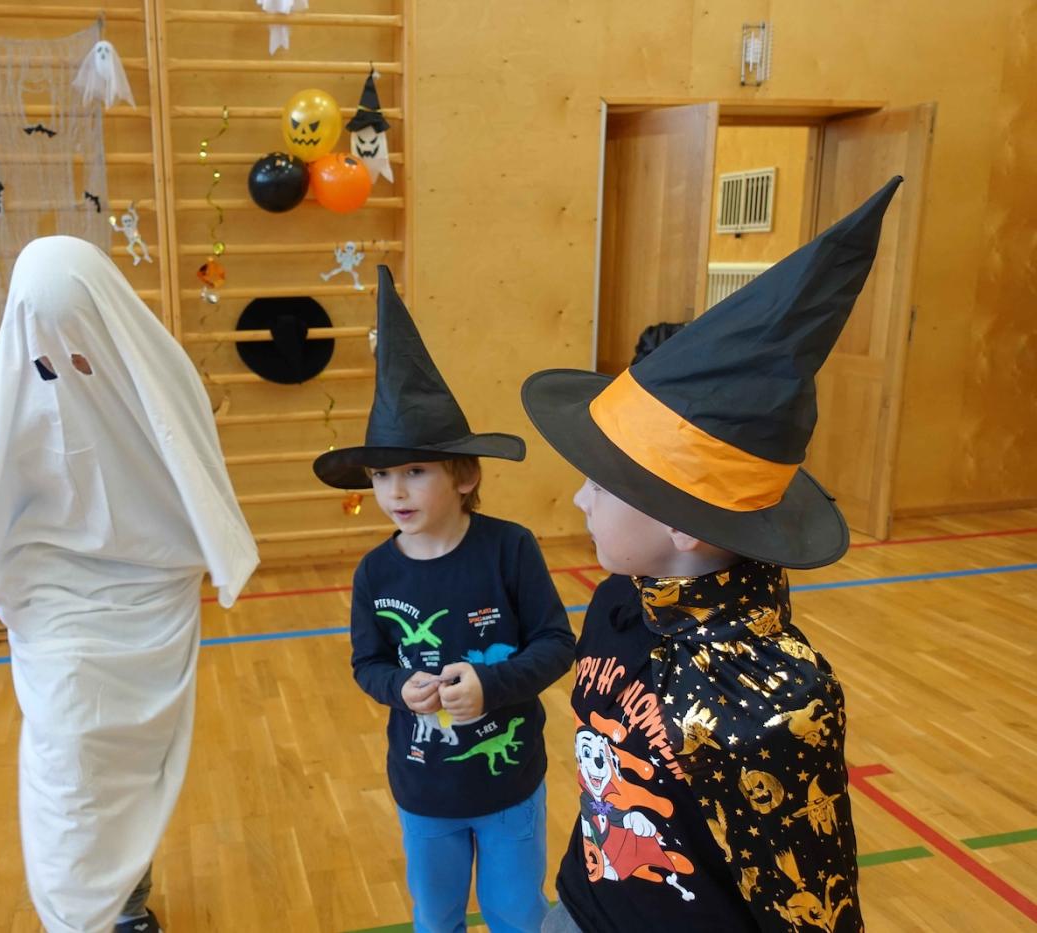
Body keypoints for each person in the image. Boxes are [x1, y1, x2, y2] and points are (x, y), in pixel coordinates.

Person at [522, 177, 904, 932]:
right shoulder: (620, 596)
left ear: (684, 523)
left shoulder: (773, 703)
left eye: (602, 483)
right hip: (584, 904)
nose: (579, 499)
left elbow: (812, 911)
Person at [0, 235, 258, 933]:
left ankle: (126, 903)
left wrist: (205, 556)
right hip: (52, 597)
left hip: (150, 594)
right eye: (47, 353)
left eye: (80, 348)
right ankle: (80, 915)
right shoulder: (7, 391)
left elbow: (194, 474)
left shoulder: (162, 376)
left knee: (129, 766)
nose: (63, 368)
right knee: (71, 755)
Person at [314, 266, 576, 932]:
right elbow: (367, 664)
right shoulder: (375, 573)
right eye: (381, 475)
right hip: (423, 788)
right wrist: (399, 688)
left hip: (510, 783)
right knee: (435, 917)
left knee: (519, 914)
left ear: (464, 475)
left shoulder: (509, 548)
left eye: (415, 470)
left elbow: (556, 644)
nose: (395, 491)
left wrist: (491, 685)